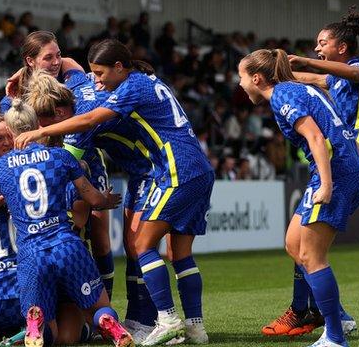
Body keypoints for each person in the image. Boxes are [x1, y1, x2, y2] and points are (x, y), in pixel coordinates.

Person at [14, 39, 214, 346]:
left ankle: (160, 320)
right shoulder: (85, 84)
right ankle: (189, 326)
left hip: (164, 169)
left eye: (100, 73)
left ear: (58, 112)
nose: (96, 79)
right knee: (176, 253)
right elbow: (68, 64)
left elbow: (63, 167)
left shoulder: (84, 119)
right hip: (167, 167)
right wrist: (25, 72)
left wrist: (39, 137)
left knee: (140, 244)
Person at [237, 48, 359, 347]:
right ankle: (335, 315)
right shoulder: (300, 89)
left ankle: (335, 335)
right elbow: (345, 133)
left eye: (241, 77)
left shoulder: (281, 96)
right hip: (344, 169)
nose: (239, 84)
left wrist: (326, 185)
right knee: (293, 243)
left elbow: (316, 138)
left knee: (312, 257)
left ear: (257, 78)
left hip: (335, 175)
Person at [0, 99, 132, 347]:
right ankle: (106, 323)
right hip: (66, 244)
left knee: (42, 321)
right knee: (99, 306)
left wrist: (1, 201)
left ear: (12, 132)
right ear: (36, 125)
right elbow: (92, 198)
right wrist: (105, 199)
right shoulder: (61, 157)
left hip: (32, 253)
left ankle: (34, 322)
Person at [24, 68, 157, 343]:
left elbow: (79, 206)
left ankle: (137, 316)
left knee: (106, 237)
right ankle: (104, 318)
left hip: (36, 248)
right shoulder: (76, 83)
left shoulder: (73, 137)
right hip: (69, 243)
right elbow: (70, 62)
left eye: (43, 123)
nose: (40, 128)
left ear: (57, 116)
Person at [3, 35, 117, 303]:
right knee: (64, 230)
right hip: (43, 172)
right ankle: (63, 303)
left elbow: (72, 64)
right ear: (30, 61)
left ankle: (104, 303)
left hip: (85, 161)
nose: (56, 62)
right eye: (48, 57)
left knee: (99, 233)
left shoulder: (74, 84)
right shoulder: (14, 99)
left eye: (58, 55)